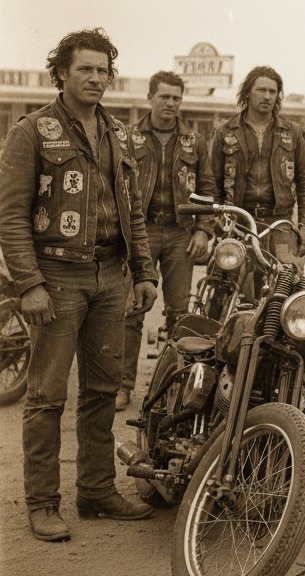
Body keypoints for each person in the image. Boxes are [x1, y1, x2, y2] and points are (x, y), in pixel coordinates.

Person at [0, 28, 159, 542]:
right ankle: (43, 503)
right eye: (85, 69)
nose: (96, 78)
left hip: (110, 276)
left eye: (103, 70)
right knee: (47, 396)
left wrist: (144, 272)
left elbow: (133, 211)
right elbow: (10, 215)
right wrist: (29, 284)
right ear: (62, 73)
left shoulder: (119, 135)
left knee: (102, 391)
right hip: (56, 277)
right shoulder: (32, 131)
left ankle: (95, 491)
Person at [118, 70, 216, 411]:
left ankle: (173, 387)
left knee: (179, 314)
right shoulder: (128, 137)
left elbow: (207, 188)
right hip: (140, 232)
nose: (171, 103)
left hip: (179, 234)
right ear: (150, 98)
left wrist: (203, 229)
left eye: (176, 98)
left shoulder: (194, 141)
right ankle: (123, 387)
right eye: (164, 97)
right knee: (132, 311)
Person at [210, 65, 305, 262]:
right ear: (248, 93)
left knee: (287, 276)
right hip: (238, 221)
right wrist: (216, 220)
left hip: (280, 223)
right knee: (230, 276)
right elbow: (212, 182)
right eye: (261, 90)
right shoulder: (225, 131)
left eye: (272, 91)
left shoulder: (292, 132)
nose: (267, 96)